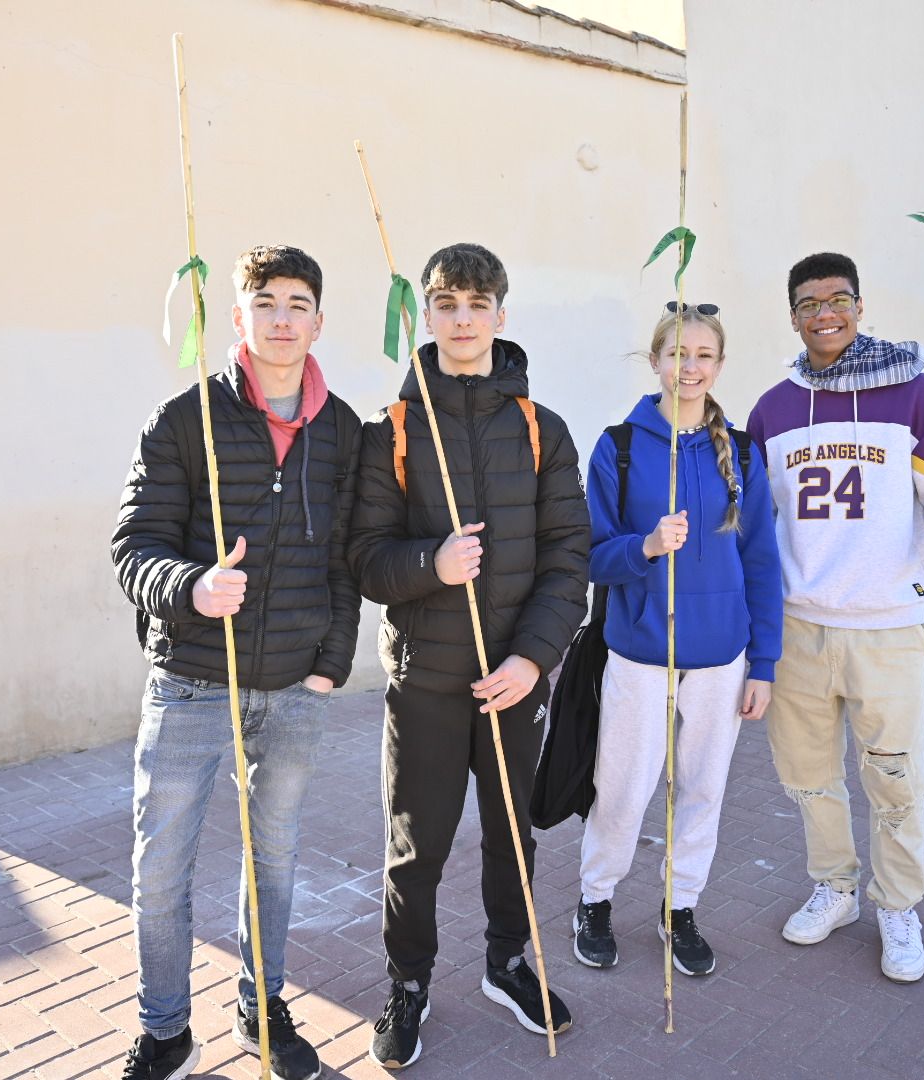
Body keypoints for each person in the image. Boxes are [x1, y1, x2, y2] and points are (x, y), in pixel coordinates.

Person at [111, 245, 362, 1080]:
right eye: (266, 302)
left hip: (294, 688)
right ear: (239, 315)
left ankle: (262, 1006)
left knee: (275, 861)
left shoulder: (345, 431)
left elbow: (347, 561)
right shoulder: (184, 420)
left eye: (298, 303)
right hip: (190, 683)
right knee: (160, 871)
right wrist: (191, 586)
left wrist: (331, 661)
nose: (282, 318)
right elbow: (132, 547)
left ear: (318, 320)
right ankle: (165, 1029)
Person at [350, 243, 589, 1069]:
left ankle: (507, 962)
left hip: (512, 681)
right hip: (426, 680)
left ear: (501, 315)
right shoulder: (395, 430)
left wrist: (532, 659)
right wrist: (432, 564)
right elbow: (368, 558)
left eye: (477, 304)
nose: (462, 319)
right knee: (416, 845)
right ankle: (408, 983)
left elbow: (569, 558)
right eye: (446, 303)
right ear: (427, 313)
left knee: (511, 836)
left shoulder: (540, 429)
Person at [746, 252, 924, 985]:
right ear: (792, 315)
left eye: (838, 298)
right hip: (799, 623)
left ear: (859, 305)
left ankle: (898, 904)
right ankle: (836, 885)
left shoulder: (911, 392)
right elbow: (756, 518)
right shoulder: (774, 407)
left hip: (886, 622)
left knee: (895, 776)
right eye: (808, 302)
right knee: (809, 773)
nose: (825, 312)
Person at [573, 304, 782, 976]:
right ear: (656, 359)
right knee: (625, 788)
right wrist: (645, 546)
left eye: (703, 356)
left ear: (718, 365)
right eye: (677, 354)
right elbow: (589, 555)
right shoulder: (620, 447)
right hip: (639, 651)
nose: (688, 368)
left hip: (722, 657)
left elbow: (761, 563)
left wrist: (764, 663)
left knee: (703, 788)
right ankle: (596, 898)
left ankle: (680, 906)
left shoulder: (743, 453)